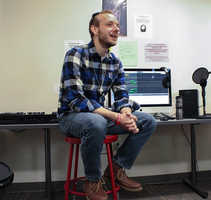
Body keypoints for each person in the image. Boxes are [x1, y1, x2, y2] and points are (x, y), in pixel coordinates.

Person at [57, 9, 157, 200]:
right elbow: (75, 99)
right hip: (70, 117)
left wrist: (126, 113)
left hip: (100, 117)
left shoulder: (115, 63)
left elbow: (122, 96)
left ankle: (116, 169)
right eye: (109, 24)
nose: (116, 29)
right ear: (94, 29)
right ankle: (92, 180)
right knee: (96, 122)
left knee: (148, 121)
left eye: (118, 25)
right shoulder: (76, 54)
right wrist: (115, 117)